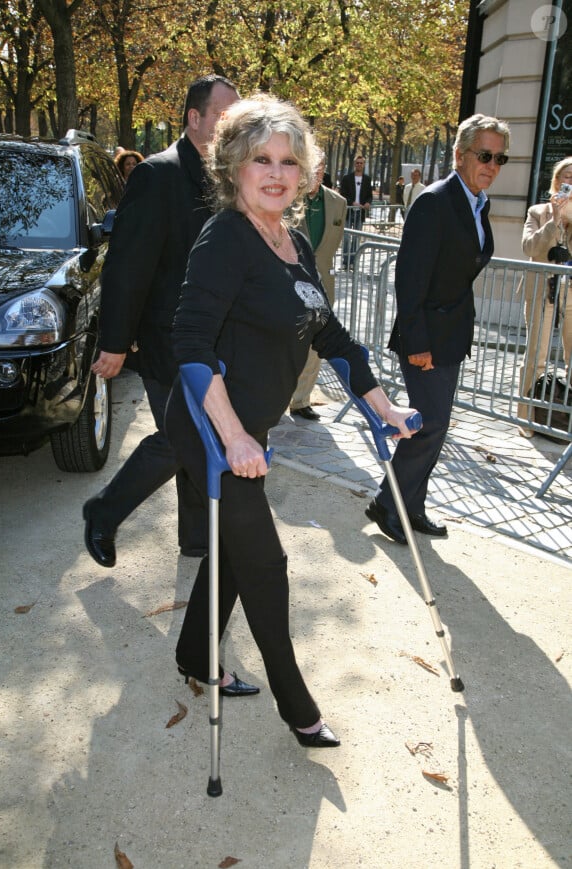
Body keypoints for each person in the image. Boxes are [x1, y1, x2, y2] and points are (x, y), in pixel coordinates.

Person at [164, 94, 419, 746]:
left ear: (304, 170)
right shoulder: (226, 236)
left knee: (231, 549)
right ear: (233, 167)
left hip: (250, 431)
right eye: (260, 160)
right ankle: (297, 708)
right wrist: (235, 435)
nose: (276, 173)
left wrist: (386, 409)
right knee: (265, 564)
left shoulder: (295, 241)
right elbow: (189, 344)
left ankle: (195, 654)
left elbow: (331, 335)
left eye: (287, 160)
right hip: (209, 428)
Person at [82, 74, 239, 569]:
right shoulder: (157, 175)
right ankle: (103, 512)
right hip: (167, 341)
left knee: (204, 434)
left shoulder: (227, 178)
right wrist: (113, 342)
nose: (233, 126)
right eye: (223, 117)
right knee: (184, 438)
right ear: (195, 119)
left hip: (214, 339)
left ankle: (197, 537)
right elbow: (127, 268)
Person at [366, 113, 510, 545]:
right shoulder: (435, 200)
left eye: (500, 158)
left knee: (436, 426)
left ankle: (411, 507)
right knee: (428, 426)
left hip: (450, 336)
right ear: (459, 155)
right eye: (484, 155)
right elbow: (409, 280)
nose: (492, 165)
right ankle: (387, 503)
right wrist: (418, 343)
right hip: (426, 338)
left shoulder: (476, 203)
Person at [289, 150, 347, 420]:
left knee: (315, 347)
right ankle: (278, 396)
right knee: (286, 342)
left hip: (323, 285)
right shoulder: (287, 196)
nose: (318, 171)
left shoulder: (338, 203)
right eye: (314, 165)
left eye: (322, 166)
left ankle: (301, 400)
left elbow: (332, 245)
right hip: (288, 283)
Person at [517, 156, 572, 437]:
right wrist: (554, 219)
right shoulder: (538, 211)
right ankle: (526, 419)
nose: (570, 181)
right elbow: (530, 247)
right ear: (556, 181)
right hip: (542, 287)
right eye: (566, 176)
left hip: (570, 290)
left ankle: (567, 418)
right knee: (536, 353)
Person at [339, 155, 373, 268]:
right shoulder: (347, 178)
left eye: (361, 163)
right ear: (354, 164)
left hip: (360, 212)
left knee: (356, 237)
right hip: (349, 211)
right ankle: (345, 261)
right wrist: (352, 202)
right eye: (357, 163)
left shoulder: (367, 179)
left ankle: (353, 261)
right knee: (347, 237)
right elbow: (342, 194)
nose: (359, 165)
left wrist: (368, 202)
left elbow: (369, 195)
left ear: (364, 165)